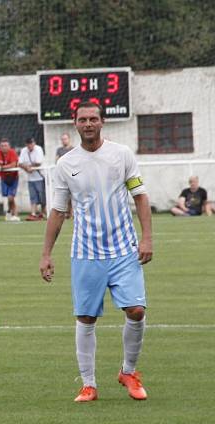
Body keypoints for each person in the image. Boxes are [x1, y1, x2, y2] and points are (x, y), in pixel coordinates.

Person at [40, 101, 153, 403]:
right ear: (74, 124)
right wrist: (46, 254)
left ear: (102, 122)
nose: (88, 124)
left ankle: (128, 371)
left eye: (93, 119)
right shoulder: (65, 164)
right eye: (82, 119)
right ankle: (89, 384)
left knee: (137, 310)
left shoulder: (122, 155)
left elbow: (140, 195)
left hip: (124, 250)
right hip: (86, 253)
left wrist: (147, 239)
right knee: (86, 318)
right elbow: (58, 211)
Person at [19, 137, 46, 221]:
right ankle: (33, 213)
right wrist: (26, 168)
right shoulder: (24, 150)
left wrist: (29, 167)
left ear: (34, 143)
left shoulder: (38, 149)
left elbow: (38, 162)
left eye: (31, 143)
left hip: (40, 177)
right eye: (28, 144)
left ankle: (43, 213)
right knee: (33, 197)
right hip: (30, 178)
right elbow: (20, 163)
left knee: (42, 197)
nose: (30, 145)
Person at [0, 138, 21, 221]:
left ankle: (15, 214)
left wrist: (2, 167)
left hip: (13, 178)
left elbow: (13, 164)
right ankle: (9, 212)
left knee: (10, 197)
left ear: (9, 146)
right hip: (4, 178)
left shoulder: (12, 152)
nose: (4, 147)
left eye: (5, 145)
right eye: (2, 146)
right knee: (8, 197)